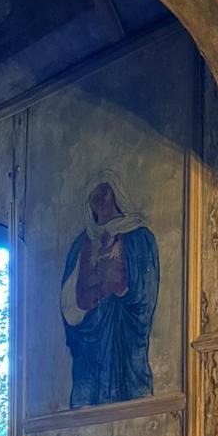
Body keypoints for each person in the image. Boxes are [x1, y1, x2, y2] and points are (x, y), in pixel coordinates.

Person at [61, 171, 159, 408]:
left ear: (116, 194)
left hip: (124, 326)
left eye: (104, 192)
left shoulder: (138, 237)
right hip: (89, 333)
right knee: (86, 393)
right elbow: (69, 294)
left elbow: (145, 290)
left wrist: (120, 289)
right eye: (93, 195)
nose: (99, 199)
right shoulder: (82, 243)